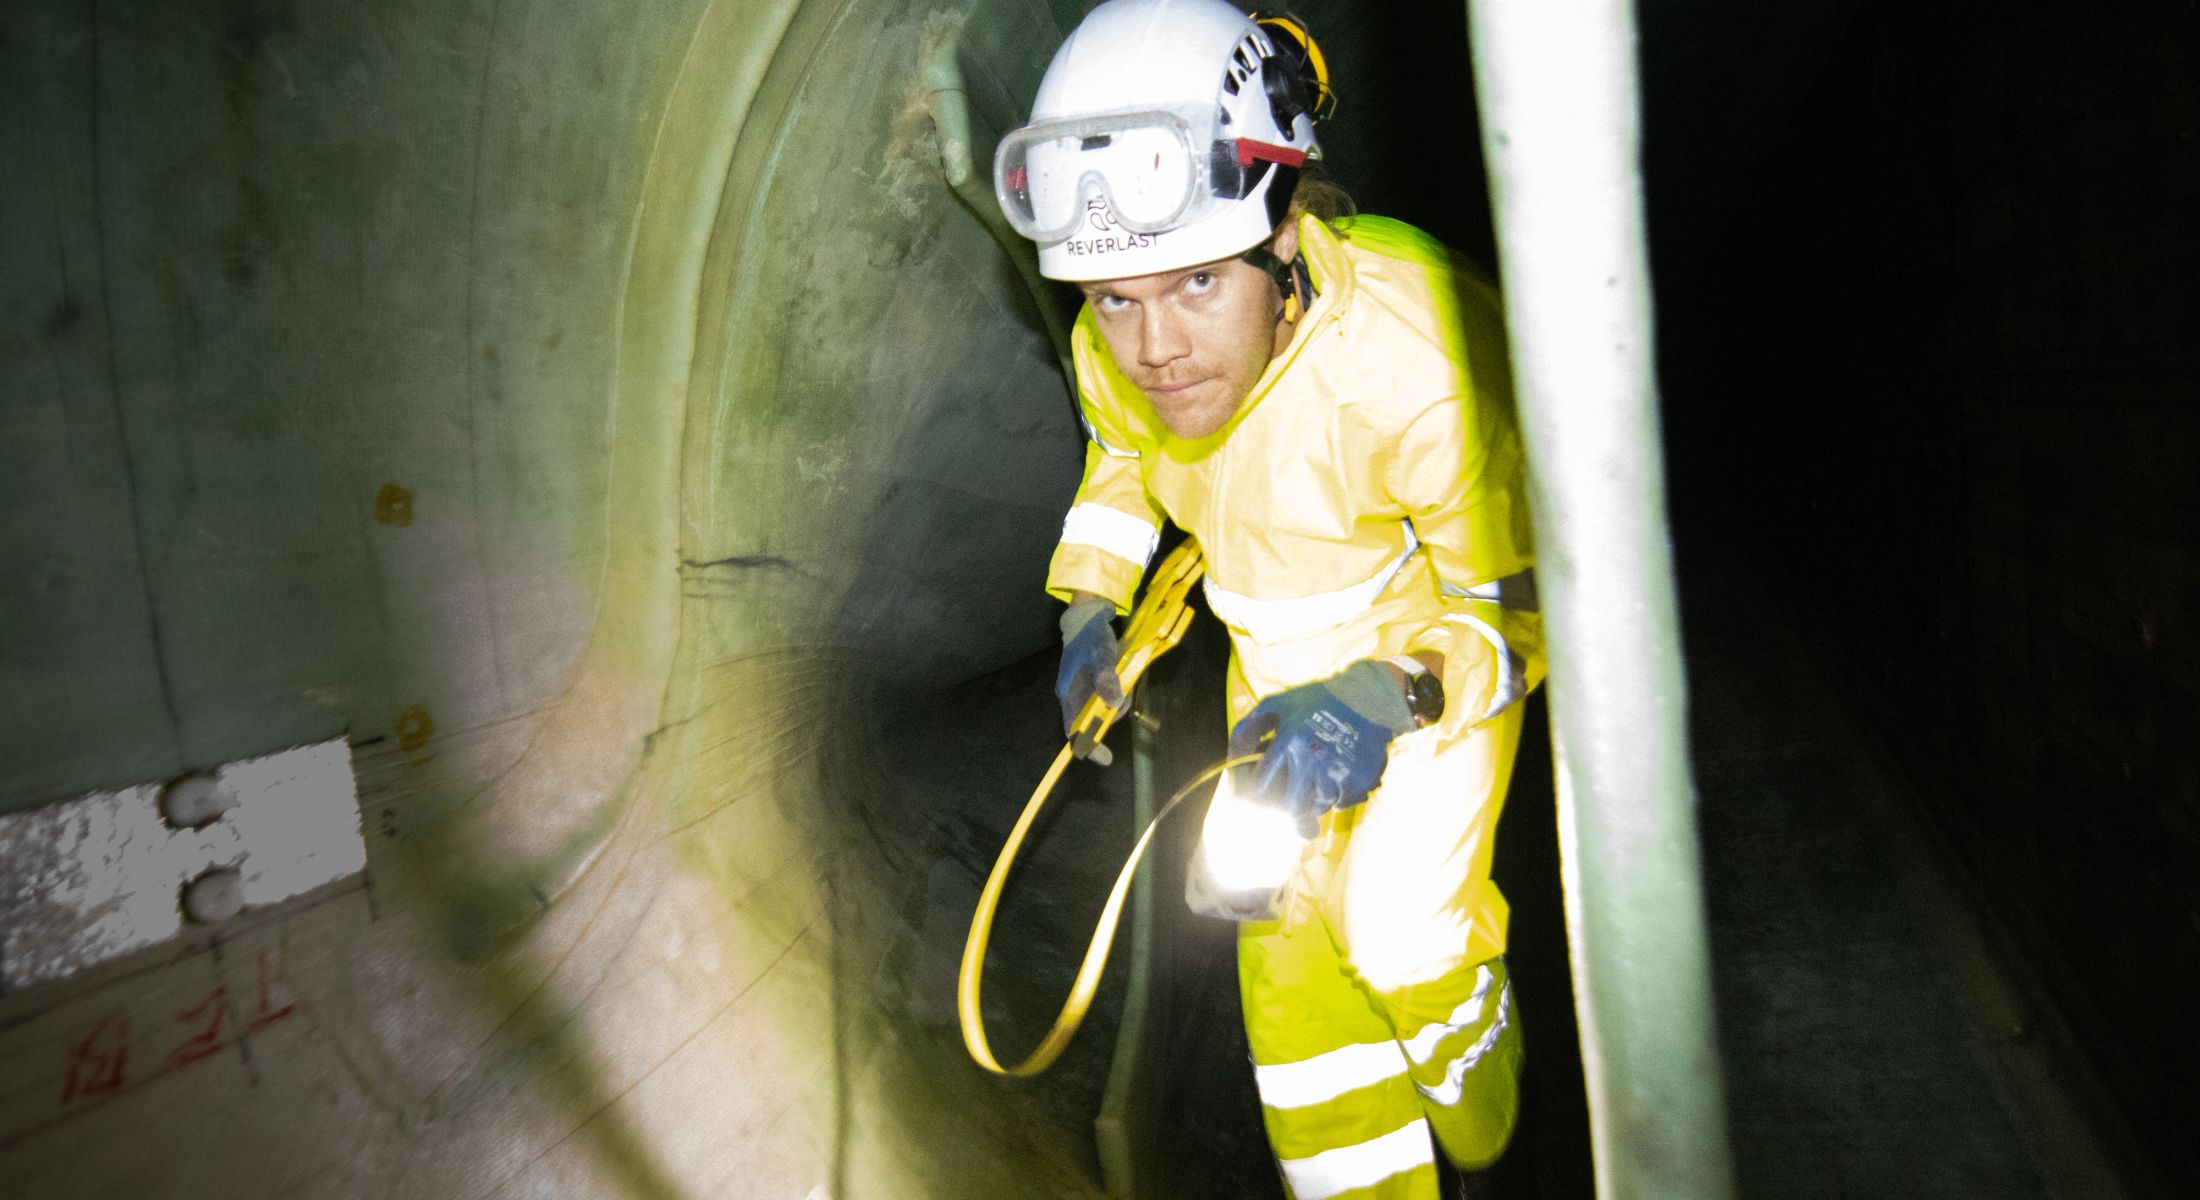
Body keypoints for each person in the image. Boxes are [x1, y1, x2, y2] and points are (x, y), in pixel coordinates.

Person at [997, 2, 1544, 1196]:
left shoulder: (1420, 360)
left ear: (1283, 229)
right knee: (1281, 950)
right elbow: (1125, 465)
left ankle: (1494, 1135)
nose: (1155, 350)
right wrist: (1088, 603)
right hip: (1268, 668)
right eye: (1114, 301)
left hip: (1423, 660)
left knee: (1400, 928)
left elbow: (1513, 614)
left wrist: (1387, 695)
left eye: (1196, 280)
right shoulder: (1119, 342)